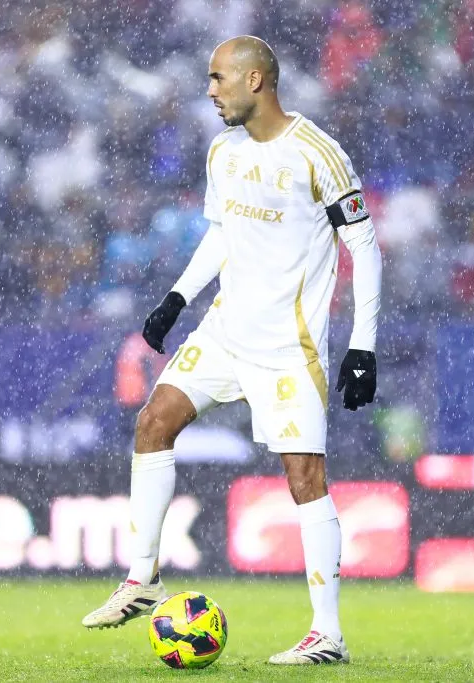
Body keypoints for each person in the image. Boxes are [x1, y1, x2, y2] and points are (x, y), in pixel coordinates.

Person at [81, 36, 382, 666]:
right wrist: (175, 299)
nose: (209, 90)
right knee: (153, 421)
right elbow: (221, 235)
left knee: (305, 480)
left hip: (288, 347)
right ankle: (144, 577)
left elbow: (366, 248)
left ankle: (327, 634)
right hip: (225, 329)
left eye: (218, 79)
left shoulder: (317, 153)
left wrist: (363, 347)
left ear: (256, 81)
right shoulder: (223, 152)